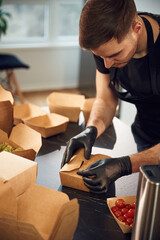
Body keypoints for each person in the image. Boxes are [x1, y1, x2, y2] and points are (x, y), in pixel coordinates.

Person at [61, 0, 160, 194]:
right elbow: (106, 99)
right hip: (145, 136)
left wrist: (124, 165)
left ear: (136, 28)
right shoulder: (107, 43)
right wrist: (91, 129)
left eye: (115, 55)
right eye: (100, 57)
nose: (106, 65)